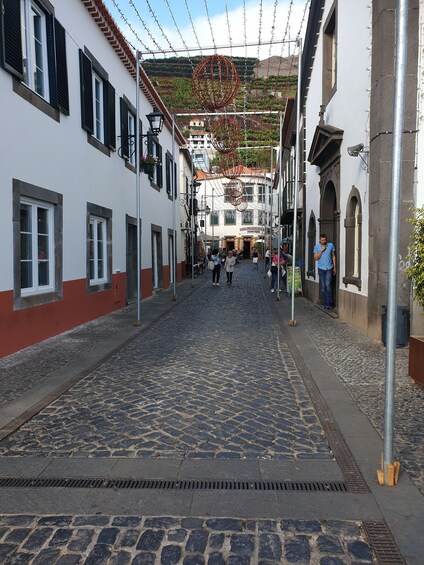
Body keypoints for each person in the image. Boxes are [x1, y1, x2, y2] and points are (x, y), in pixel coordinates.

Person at [313, 233, 336, 309]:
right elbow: (316, 258)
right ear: (320, 240)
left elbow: (333, 256)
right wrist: (321, 250)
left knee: (328, 285)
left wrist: (334, 267)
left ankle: (330, 303)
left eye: (325, 240)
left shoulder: (331, 245)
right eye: (322, 240)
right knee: (323, 287)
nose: (323, 241)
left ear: (326, 239)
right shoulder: (316, 247)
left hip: (329, 268)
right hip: (321, 268)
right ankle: (325, 303)